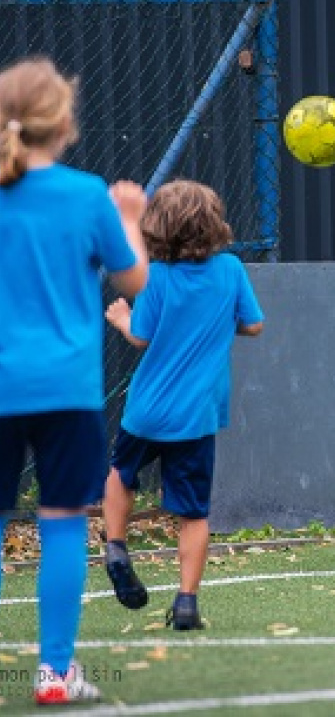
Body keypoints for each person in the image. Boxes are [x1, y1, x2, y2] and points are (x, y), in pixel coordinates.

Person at [0, 56, 149, 705]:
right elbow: (138, 284)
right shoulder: (89, 195)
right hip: (66, 390)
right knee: (62, 522)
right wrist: (132, 220)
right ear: (63, 122)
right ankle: (55, 673)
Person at [102, 179, 264, 631]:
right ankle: (187, 602)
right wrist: (219, 324)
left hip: (147, 410)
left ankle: (115, 543)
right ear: (214, 223)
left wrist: (121, 319)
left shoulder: (155, 275)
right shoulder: (230, 270)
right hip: (197, 416)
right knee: (194, 513)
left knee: (121, 472)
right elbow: (254, 326)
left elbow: (142, 335)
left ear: (156, 227)